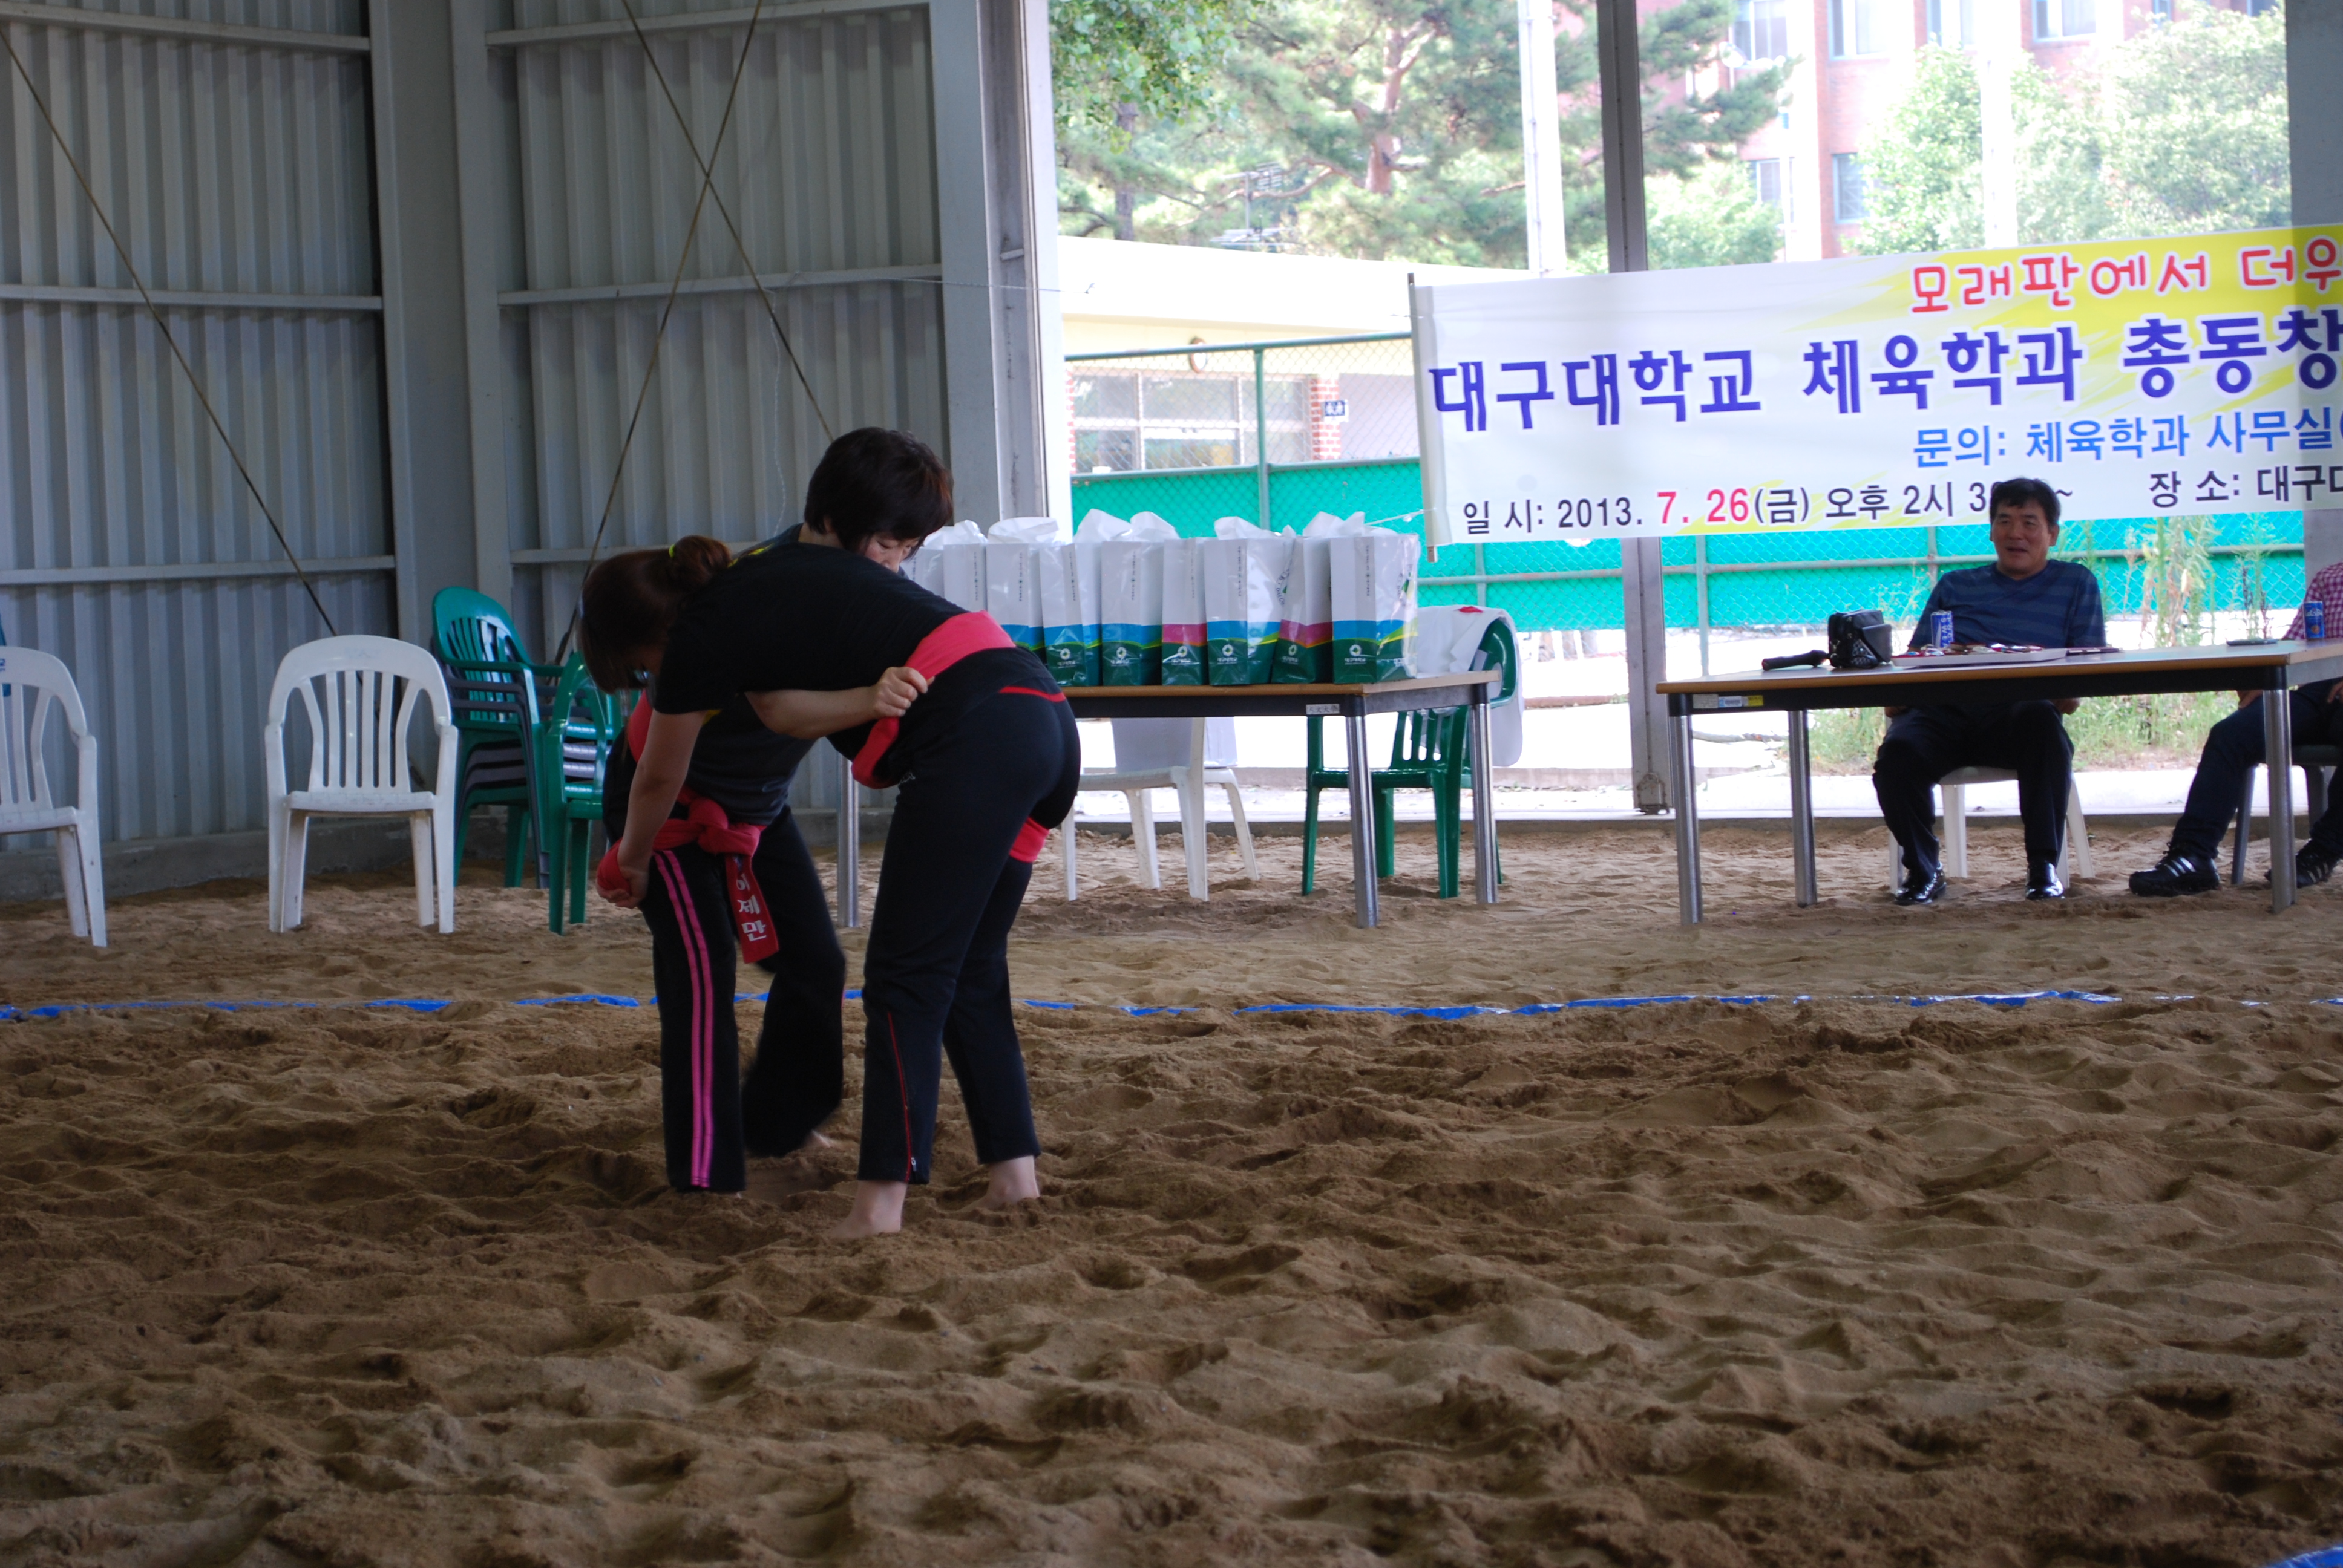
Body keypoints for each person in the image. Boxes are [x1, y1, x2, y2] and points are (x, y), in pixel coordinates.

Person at [589, 428, 1081, 1238]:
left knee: (901, 979)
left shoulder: (768, 597)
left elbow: (736, 732)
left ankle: (878, 1208)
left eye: (904, 547)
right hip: (1046, 721)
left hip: (968, 743)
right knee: (967, 970)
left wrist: (626, 859)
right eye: (888, 543)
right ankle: (1011, 1181)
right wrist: (634, 855)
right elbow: (749, 723)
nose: (894, 561)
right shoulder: (777, 595)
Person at [580, 537, 846, 1196]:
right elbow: (655, 782)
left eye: (641, 665)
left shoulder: (748, 618)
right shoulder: (686, 666)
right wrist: (632, 858)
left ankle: (777, 1122)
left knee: (816, 961)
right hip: (661, 812)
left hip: (754, 809)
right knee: (701, 970)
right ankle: (704, 1171)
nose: (648, 675)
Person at [1875, 477, 2106, 905]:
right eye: (2005, 521)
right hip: (1943, 713)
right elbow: (1918, 661)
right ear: (1991, 531)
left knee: (2043, 725)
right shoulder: (1955, 586)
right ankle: (1924, 869)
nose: (2016, 533)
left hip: (2017, 717)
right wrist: (1901, 692)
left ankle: (2043, 868)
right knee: (1898, 753)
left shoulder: (2075, 583)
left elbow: (2080, 680)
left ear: (2052, 534)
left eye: (2029, 523)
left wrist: (2054, 684)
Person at [2128, 560, 2343, 895]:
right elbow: (2298, 644)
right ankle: (2192, 855)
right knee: (2230, 735)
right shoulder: (2331, 577)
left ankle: (2322, 852)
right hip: (2317, 690)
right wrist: (2264, 675)